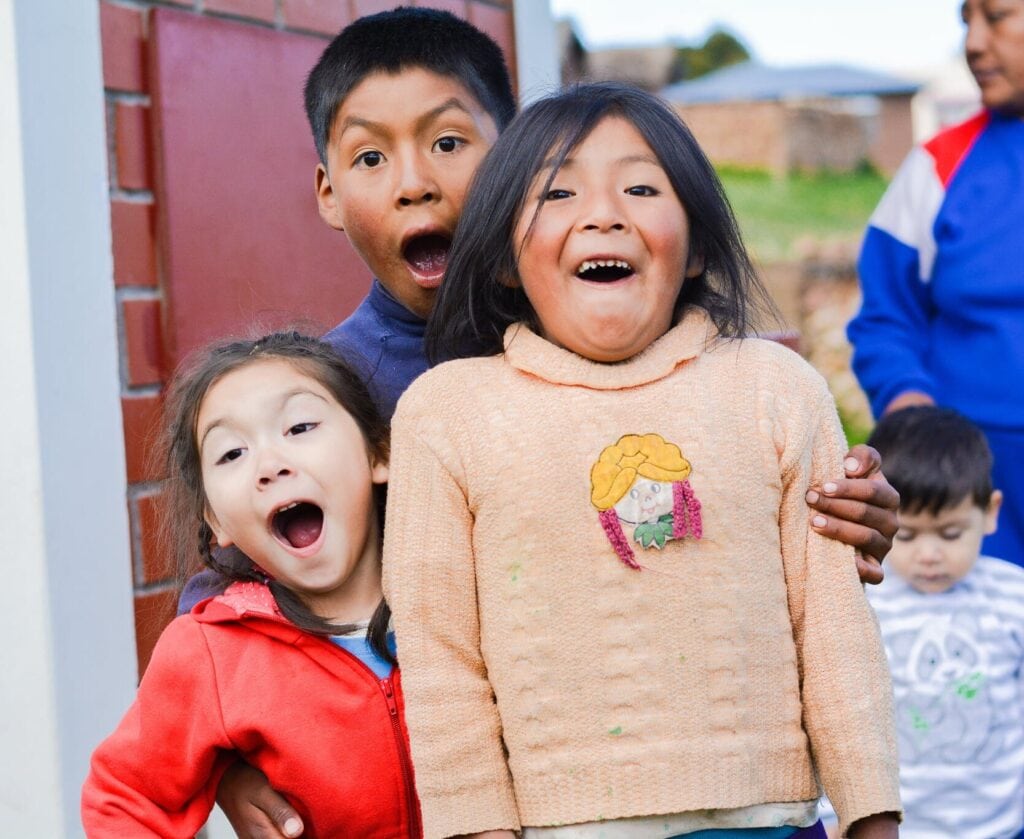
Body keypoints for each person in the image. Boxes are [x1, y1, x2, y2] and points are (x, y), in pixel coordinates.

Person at [203, 9, 901, 835]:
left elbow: (815, 601)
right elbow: (235, 578)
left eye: (450, 143)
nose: (416, 181)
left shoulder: (761, 388)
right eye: (370, 155)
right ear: (327, 190)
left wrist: (857, 513)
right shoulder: (328, 398)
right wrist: (224, 746)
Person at [383, 82, 902, 839]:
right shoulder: (447, 414)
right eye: (558, 191)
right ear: (500, 258)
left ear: (693, 246)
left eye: (640, 186)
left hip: (771, 821)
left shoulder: (774, 388)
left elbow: (833, 626)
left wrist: (872, 814)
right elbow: (441, 655)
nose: (603, 212)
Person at [80, 333, 421, 836]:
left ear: (379, 454)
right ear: (214, 520)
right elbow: (123, 800)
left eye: (300, 426)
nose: (269, 465)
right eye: (232, 453)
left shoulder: (460, 598)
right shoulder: (209, 653)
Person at [847, 0, 1024, 567]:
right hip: (965, 492)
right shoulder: (937, 166)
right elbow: (885, 321)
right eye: (965, 21)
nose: (973, 44)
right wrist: (914, 423)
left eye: (996, 16)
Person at [822, 406, 1023, 839]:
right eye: (908, 535)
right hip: (900, 828)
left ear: (990, 512)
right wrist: (833, 815)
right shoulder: (863, 598)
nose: (929, 554)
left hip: (1000, 825)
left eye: (950, 534)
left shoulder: (1014, 597)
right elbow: (838, 708)